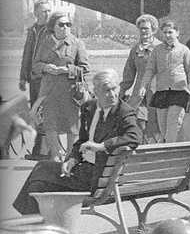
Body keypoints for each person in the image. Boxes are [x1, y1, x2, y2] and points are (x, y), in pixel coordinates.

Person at [12, 69, 139, 216]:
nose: (113, 94)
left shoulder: (124, 112)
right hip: (85, 171)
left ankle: (28, 224)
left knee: (42, 168)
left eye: (114, 88)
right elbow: (81, 141)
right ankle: (35, 224)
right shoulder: (89, 108)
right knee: (38, 184)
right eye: (106, 90)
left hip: (98, 177)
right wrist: (72, 159)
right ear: (95, 92)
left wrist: (101, 146)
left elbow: (135, 136)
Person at [31, 9, 89, 161]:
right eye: (61, 24)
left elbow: (85, 67)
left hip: (70, 92)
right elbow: (35, 65)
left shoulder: (77, 43)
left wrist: (67, 69)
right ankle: (55, 156)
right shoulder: (45, 43)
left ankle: (71, 156)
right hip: (48, 92)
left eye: (68, 24)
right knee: (50, 124)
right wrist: (45, 67)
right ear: (53, 27)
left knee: (72, 125)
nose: (65, 27)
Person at [144, 20, 190, 143]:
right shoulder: (156, 50)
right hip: (161, 91)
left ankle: (169, 151)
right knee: (163, 127)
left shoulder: (184, 50)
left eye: (170, 32)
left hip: (178, 92)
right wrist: (143, 86)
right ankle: (171, 147)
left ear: (177, 33)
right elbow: (150, 69)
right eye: (164, 32)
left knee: (172, 124)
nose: (167, 35)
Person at [18, 0, 52, 159]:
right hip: (34, 80)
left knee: (45, 112)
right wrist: (22, 77)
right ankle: (42, 150)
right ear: (36, 13)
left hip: (47, 78)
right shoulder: (32, 30)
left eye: (48, 11)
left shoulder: (52, 30)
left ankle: (43, 151)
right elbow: (27, 54)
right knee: (35, 113)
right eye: (44, 11)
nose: (47, 14)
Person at [119, 14, 160, 138]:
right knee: (138, 121)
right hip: (139, 93)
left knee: (155, 124)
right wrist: (122, 91)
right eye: (141, 28)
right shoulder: (135, 49)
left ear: (153, 30)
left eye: (146, 28)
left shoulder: (160, 48)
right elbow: (129, 72)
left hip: (156, 91)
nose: (143, 31)